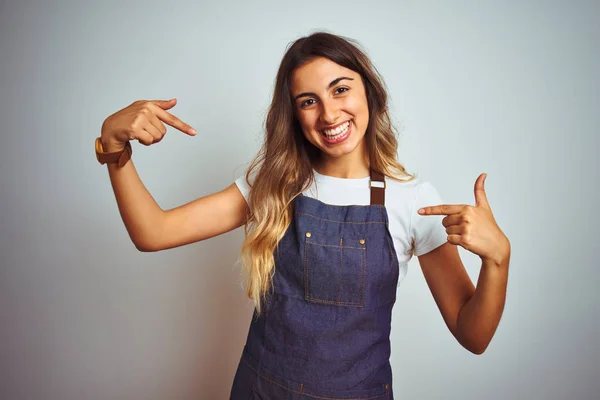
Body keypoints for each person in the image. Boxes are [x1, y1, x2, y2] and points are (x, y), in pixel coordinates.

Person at [96, 31, 511, 400]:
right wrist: (115, 150)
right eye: (308, 101)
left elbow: (472, 335)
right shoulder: (272, 185)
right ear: (294, 115)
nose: (329, 115)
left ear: (369, 92)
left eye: (340, 90)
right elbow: (153, 232)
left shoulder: (412, 200)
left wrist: (498, 260)